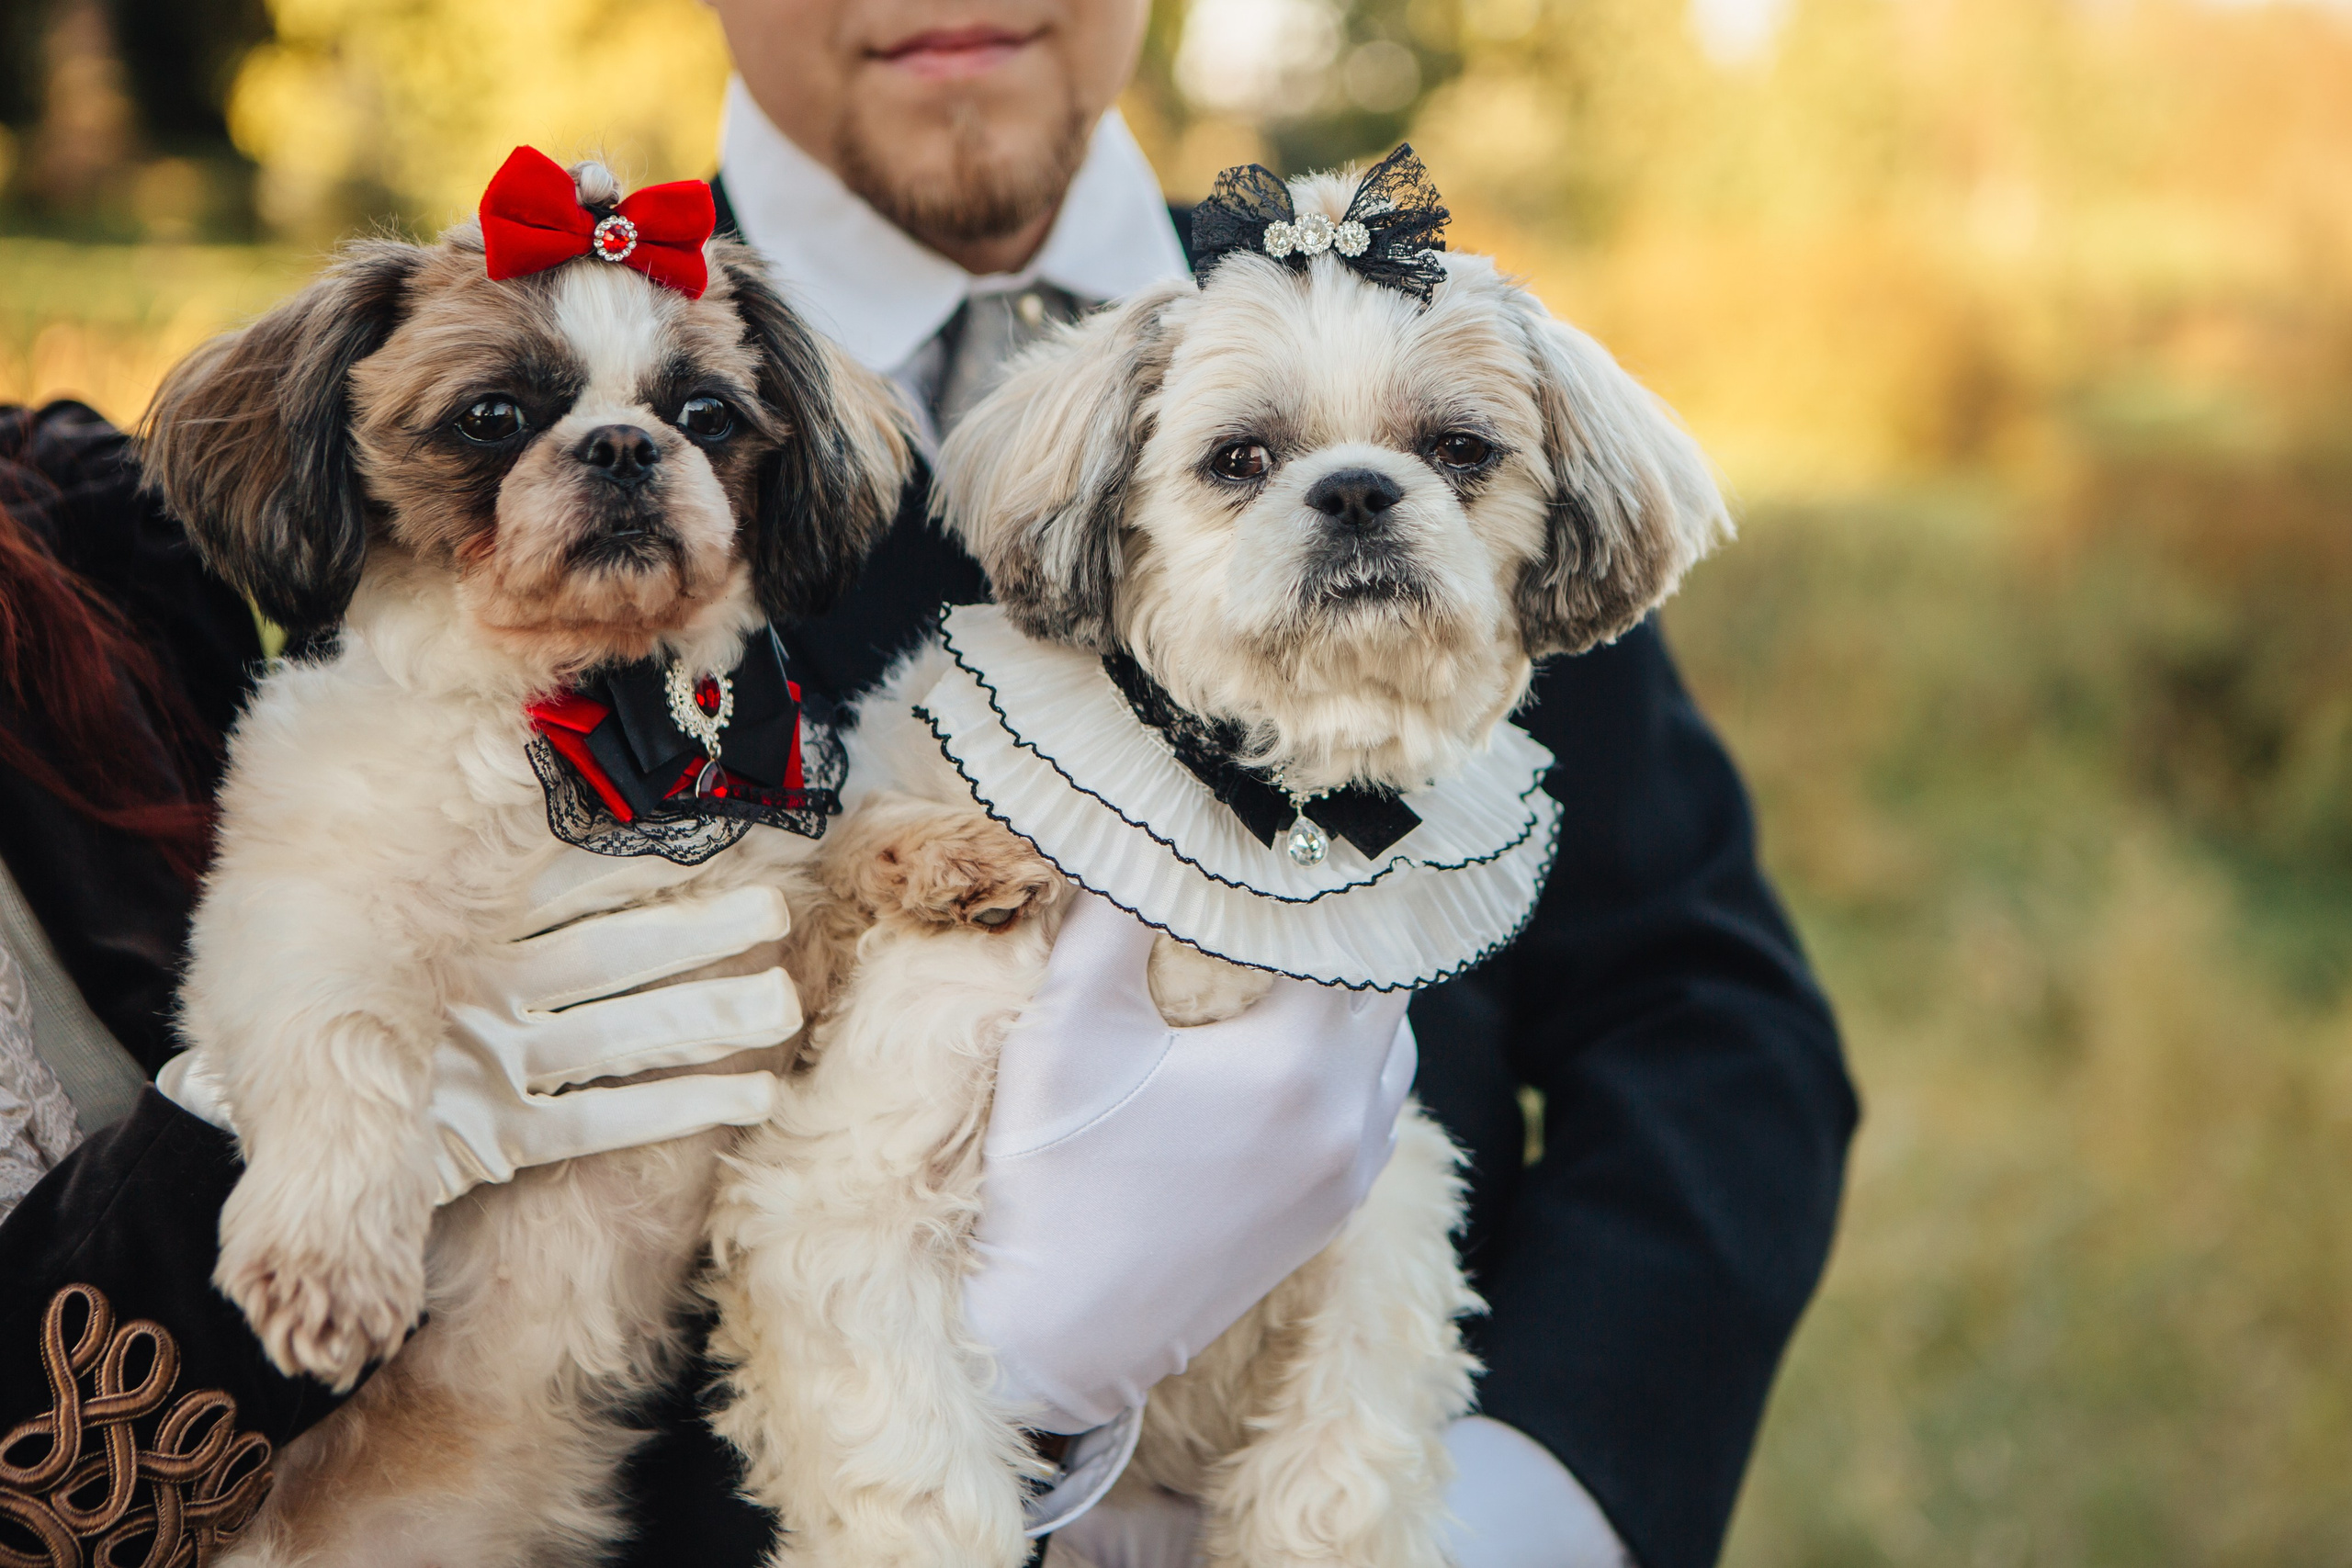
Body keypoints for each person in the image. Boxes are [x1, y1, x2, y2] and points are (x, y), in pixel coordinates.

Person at [0, 6, 1856, 1568]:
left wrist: (1502, 1507)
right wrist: (1014, 1385)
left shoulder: (1425, 379)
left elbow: (1699, 1018)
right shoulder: (459, 419)